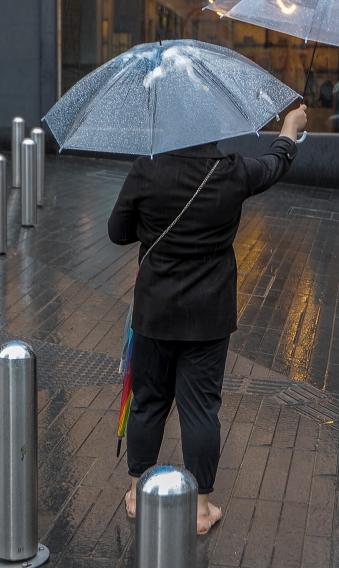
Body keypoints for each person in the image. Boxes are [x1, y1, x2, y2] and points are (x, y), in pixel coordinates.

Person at [109, 104, 308, 535]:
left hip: (154, 311)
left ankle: (138, 495)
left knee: (149, 402)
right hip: (209, 314)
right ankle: (200, 509)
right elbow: (274, 165)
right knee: (201, 409)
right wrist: (290, 130)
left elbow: (117, 232)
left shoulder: (147, 168)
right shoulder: (231, 171)